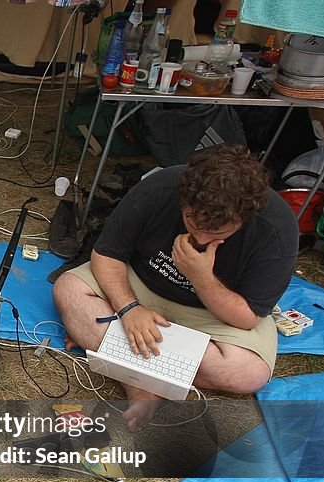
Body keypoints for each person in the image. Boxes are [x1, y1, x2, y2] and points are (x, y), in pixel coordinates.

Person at [53, 144, 297, 430]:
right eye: (191, 220)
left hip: (214, 311)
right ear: (184, 199)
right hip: (139, 282)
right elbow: (107, 255)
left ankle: (120, 357)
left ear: (243, 218)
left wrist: (202, 277)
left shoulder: (277, 229)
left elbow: (247, 317)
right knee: (68, 290)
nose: (200, 237)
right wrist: (129, 309)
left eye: (216, 232)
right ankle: (144, 382)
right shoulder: (159, 187)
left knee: (248, 373)